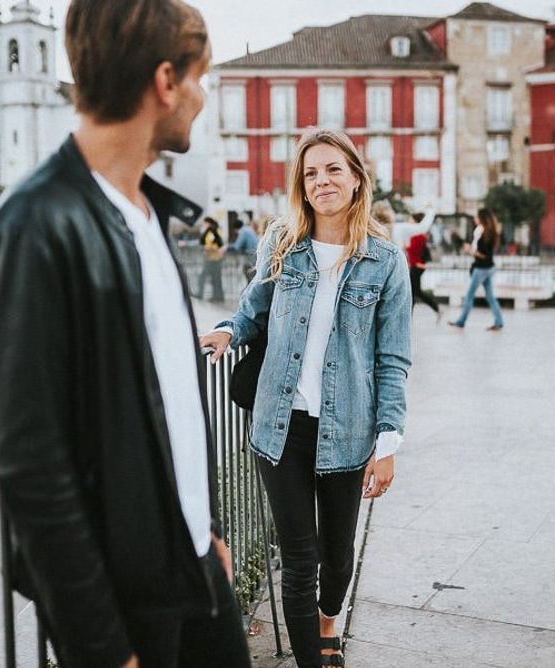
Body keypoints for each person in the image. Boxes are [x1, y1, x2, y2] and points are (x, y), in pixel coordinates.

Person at [0, 2, 251, 667]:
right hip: (124, 608)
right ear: (164, 83)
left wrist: (205, 529)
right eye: (199, 78)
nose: (202, 97)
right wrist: (100, 645)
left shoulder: (145, 211)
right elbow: (32, 466)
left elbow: (173, 401)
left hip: (192, 567)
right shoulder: (31, 228)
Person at [199, 128, 412, 668]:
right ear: (301, 184)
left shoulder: (385, 261)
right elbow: (252, 310)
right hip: (278, 426)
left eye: (333, 169)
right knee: (299, 560)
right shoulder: (281, 243)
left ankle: (327, 624)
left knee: (337, 558)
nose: (322, 181)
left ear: (357, 178)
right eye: (311, 173)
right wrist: (228, 332)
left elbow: (393, 359)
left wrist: (388, 442)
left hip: (348, 432)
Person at [449, 208, 504, 331]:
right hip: (489, 267)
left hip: (481, 268)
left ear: (482, 218)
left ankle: (461, 321)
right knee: (490, 296)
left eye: (476, 217)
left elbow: (483, 254)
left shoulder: (484, 233)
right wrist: (471, 250)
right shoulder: (490, 232)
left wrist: (470, 251)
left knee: (469, 296)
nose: (474, 219)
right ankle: (499, 321)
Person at [405, 221, 442, 321]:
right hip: (417, 266)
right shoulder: (419, 235)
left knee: (414, 292)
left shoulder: (418, 236)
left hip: (417, 266)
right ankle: (435, 308)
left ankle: (435, 308)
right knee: (414, 291)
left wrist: (406, 247)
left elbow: (413, 251)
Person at [197, 216, 225, 301]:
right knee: (215, 279)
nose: (203, 225)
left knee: (206, 277)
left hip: (213, 259)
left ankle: (202, 294)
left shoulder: (212, 233)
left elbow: (216, 246)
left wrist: (207, 248)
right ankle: (218, 296)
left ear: (209, 223)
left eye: (205, 223)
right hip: (212, 259)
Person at [224, 217, 260, 282]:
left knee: (249, 275)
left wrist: (226, 247)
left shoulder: (244, 232)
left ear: (235, 229)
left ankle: (250, 291)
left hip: (251, 259)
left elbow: (237, 246)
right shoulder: (248, 229)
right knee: (252, 277)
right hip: (255, 258)